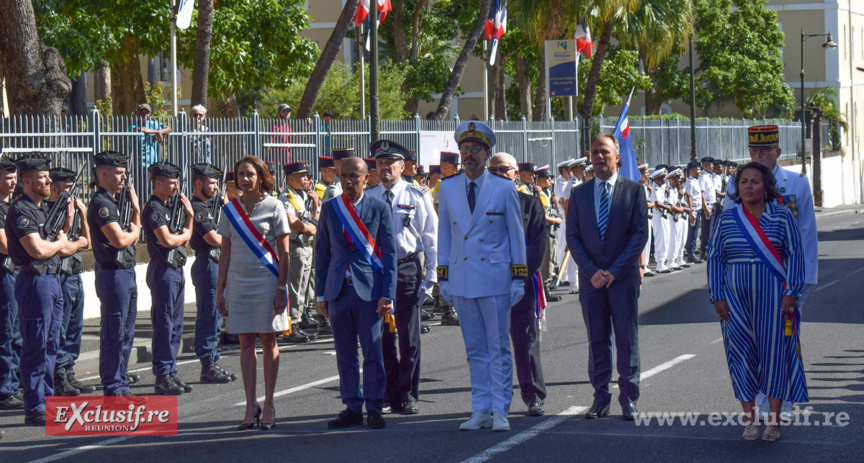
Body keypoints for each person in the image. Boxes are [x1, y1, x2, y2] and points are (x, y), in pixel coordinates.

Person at [723, 125, 818, 421]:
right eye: (754, 151)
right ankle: (762, 398)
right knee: (753, 340)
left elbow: (806, 234)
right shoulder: (737, 183)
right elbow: (727, 231)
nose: (759, 155)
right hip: (746, 280)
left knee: (784, 340)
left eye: (765, 151)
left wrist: (803, 281)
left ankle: (785, 400)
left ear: (777, 152)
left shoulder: (797, 183)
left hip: (785, 278)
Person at [708, 161, 807, 442]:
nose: (748, 187)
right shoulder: (727, 219)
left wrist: (792, 292)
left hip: (774, 297)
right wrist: (717, 297)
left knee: (774, 354)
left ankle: (774, 422)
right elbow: (715, 258)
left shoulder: (783, 217)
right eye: (743, 182)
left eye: (754, 182)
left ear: (767, 187)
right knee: (740, 355)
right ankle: (750, 419)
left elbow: (795, 256)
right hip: (734, 300)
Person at [437, 121, 526, 432]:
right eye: (465, 150)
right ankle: (480, 408)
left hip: (496, 278)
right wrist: (443, 277)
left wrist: (518, 277)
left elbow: (517, 236)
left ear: (488, 154)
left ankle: (501, 410)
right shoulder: (447, 187)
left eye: (476, 150)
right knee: (474, 348)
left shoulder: (504, 188)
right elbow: (444, 236)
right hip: (463, 278)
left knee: (498, 347)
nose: (469, 155)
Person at [565, 134, 648, 421]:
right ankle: (601, 397)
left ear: (617, 157)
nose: (599, 157)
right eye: (595, 152)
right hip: (592, 282)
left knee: (627, 339)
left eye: (605, 152)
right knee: (597, 339)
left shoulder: (634, 191)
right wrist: (591, 272)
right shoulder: (579, 193)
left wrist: (614, 271)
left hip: (622, 279)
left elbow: (639, 236)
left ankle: (629, 398)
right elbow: (573, 237)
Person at [316, 157, 396, 430]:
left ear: (367, 177)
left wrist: (388, 294)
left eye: (355, 176)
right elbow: (322, 254)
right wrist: (320, 294)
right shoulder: (329, 209)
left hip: (370, 292)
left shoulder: (379, 207)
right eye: (344, 176)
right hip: (338, 291)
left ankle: (374, 407)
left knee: (373, 352)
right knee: (345, 353)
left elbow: (390, 253)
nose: (349, 181)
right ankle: (352, 406)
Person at [216, 155, 291, 431]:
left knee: (268, 340)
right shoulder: (230, 210)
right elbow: (225, 252)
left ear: (261, 176)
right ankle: (251, 404)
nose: (244, 179)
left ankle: (269, 403)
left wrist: (281, 289)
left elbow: (284, 254)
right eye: (240, 174)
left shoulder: (275, 207)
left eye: (250, 174)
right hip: (238, 284)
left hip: (267, 282)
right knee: (245, 343)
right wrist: (220, 290)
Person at [5, 154, 76, 425]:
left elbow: (65, 245)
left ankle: (47, 401)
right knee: (35, 344)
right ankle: (34, 406)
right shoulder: (21, 210)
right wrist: (60, 243)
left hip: (53, 279)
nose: (49, 180)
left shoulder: (45, 209)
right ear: (26, 180)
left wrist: (68, 235)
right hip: (35, 282)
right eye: (43, 176)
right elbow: (38, 250)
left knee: (51, 343)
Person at [369, 140, 437, 415]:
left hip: (408, 269)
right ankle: (386, 394)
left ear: (402, 166)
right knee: (382, 335)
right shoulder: (369, 196)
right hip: (377, 272)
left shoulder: (417, 195)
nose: (385, 167)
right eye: (380, 163)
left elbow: (432, 238)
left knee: (409, 337)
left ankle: (407, 394)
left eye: (390, 163)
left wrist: (431, 279)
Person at [489, 153, 547, 417]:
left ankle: (533, 395)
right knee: (491, 344)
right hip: (488, 283)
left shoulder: (531, 204)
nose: (499, 173)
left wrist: (517, 276)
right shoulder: (479, 203)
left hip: (519, 284)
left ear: (515, 174)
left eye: (504, 169)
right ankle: (495, 398)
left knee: (525, 340)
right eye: (494, 169)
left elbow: (536, 247)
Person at [87, 152, 141, 397]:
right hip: (113, 274)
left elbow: (128, 237)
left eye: (124, 172)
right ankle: (113, 387)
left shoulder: (115, 201)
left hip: (126, 272)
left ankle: (121, 384)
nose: (124, 177)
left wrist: (136, 213)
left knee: (126, 332)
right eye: (119, 173)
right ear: (103, 174)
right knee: (114, 332)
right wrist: (136, 228)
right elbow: (119, 240)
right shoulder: (101, 203)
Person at [142, 161, 194, 396]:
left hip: (175, 269)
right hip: (163, 270)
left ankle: (171, 372)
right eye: (171, 182)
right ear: (158, 182)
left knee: (175, 324)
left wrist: (189, 218)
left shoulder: (167, 206)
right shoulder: (154, 208)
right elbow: (167, 240)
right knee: (164, 324)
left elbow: (182, 240)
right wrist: (185, 232)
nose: (176, 186)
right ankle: (162, 375)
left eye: (177, 182)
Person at [46, 168, 94, 396]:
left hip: (75, 274)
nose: (72, 194)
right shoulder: (49, 212)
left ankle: (69, 371)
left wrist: (82, 216)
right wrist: (70, 224)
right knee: (60, 330)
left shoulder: (72, 210)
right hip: (61, 276)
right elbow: (62, 248)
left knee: (75, 328)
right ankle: (58, 376)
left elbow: (89, 243)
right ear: (55, 189)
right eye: (67, 189)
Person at [190, 163, 236, 383]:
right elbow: (215, 239)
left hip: (217, 263)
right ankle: (207, 363)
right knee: (210, 315)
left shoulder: (211, 205)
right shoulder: (198, 208)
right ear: (199, 183)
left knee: (217, 315)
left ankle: (212, 360)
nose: (217, 187)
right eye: (212, 183)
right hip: (207, 264)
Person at [280, 161, 320, 343]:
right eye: (303, 176)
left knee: (303, 285)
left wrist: (315, 206)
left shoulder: (302, 195)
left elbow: (312, 220)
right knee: (294, 286)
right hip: (295, 244)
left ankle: (301, 318)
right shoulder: (287, 196)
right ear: (291, 178)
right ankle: (292, 324)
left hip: (305, 244)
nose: (308, 179)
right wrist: (308, 228)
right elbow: (290, 221)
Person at [0, 157, 23, 410]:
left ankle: (14, 383)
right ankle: (5, 389)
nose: (12, 181)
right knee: (6, 332)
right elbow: (6, 246)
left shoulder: (13, 207)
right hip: (5, 275)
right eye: (7, 177)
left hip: (16, 274)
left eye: (14, 177)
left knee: (18, 333)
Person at [430, 151, 460, 326]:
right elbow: (439, 209)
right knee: (446, 271)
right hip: (447, 233)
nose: (455, 169)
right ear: (443, 167)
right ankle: (446, 309)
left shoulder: (455, 182)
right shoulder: (442, 184)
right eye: (452, 167)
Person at [130, 103, 171, 168]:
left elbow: (169, 129)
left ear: (150, 114)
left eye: (146, 112)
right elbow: (141, 129)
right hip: (138, 163)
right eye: (141, 112)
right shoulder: (132, 126)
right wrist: (157, 132)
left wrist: (160, 131)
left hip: (153, 162)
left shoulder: (153, 124)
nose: (144, 114)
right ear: (137, 114)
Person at [648, 167, 670, 273]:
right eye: (663, 178)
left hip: (663, 217)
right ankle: (660, 264)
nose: (665, 179)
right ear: (657, 179)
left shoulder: (661, 188)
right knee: (660, 241)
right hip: (658, 217)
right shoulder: (655, 188)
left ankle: (663, 262)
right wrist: (668, 207)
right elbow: (657, 203)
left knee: (665, 240)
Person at [683, 161, 704, 263]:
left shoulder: (696, 181)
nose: (699, 171)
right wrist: (691, 212)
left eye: (700, 169)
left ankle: (692, 250)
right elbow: (689, 197)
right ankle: (690, 253)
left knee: (695, 231)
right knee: (692, 231)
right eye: (698, 169)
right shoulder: (690, 182)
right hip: (694, 209)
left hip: (698, 209)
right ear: (692, 171)